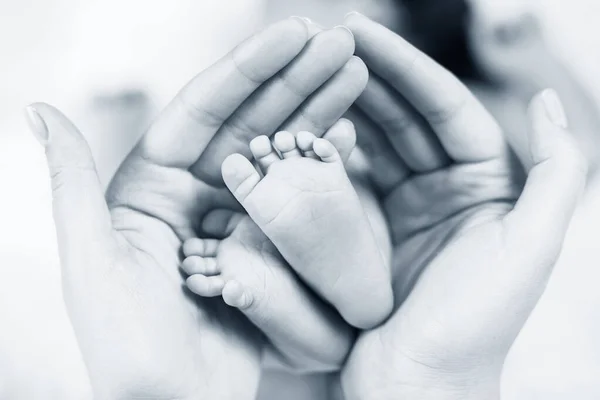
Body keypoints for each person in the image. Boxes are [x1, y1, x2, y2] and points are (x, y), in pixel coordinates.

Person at [25, 13, 587, 400]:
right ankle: (306, 281)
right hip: (294, 281)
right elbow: (577, 148)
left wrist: (534, 59)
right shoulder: (209, 124)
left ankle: (325, 274)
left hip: (392, 239)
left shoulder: (469, 125)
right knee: (305, 333)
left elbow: (578, 154)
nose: (322, 36)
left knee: (337, 245)